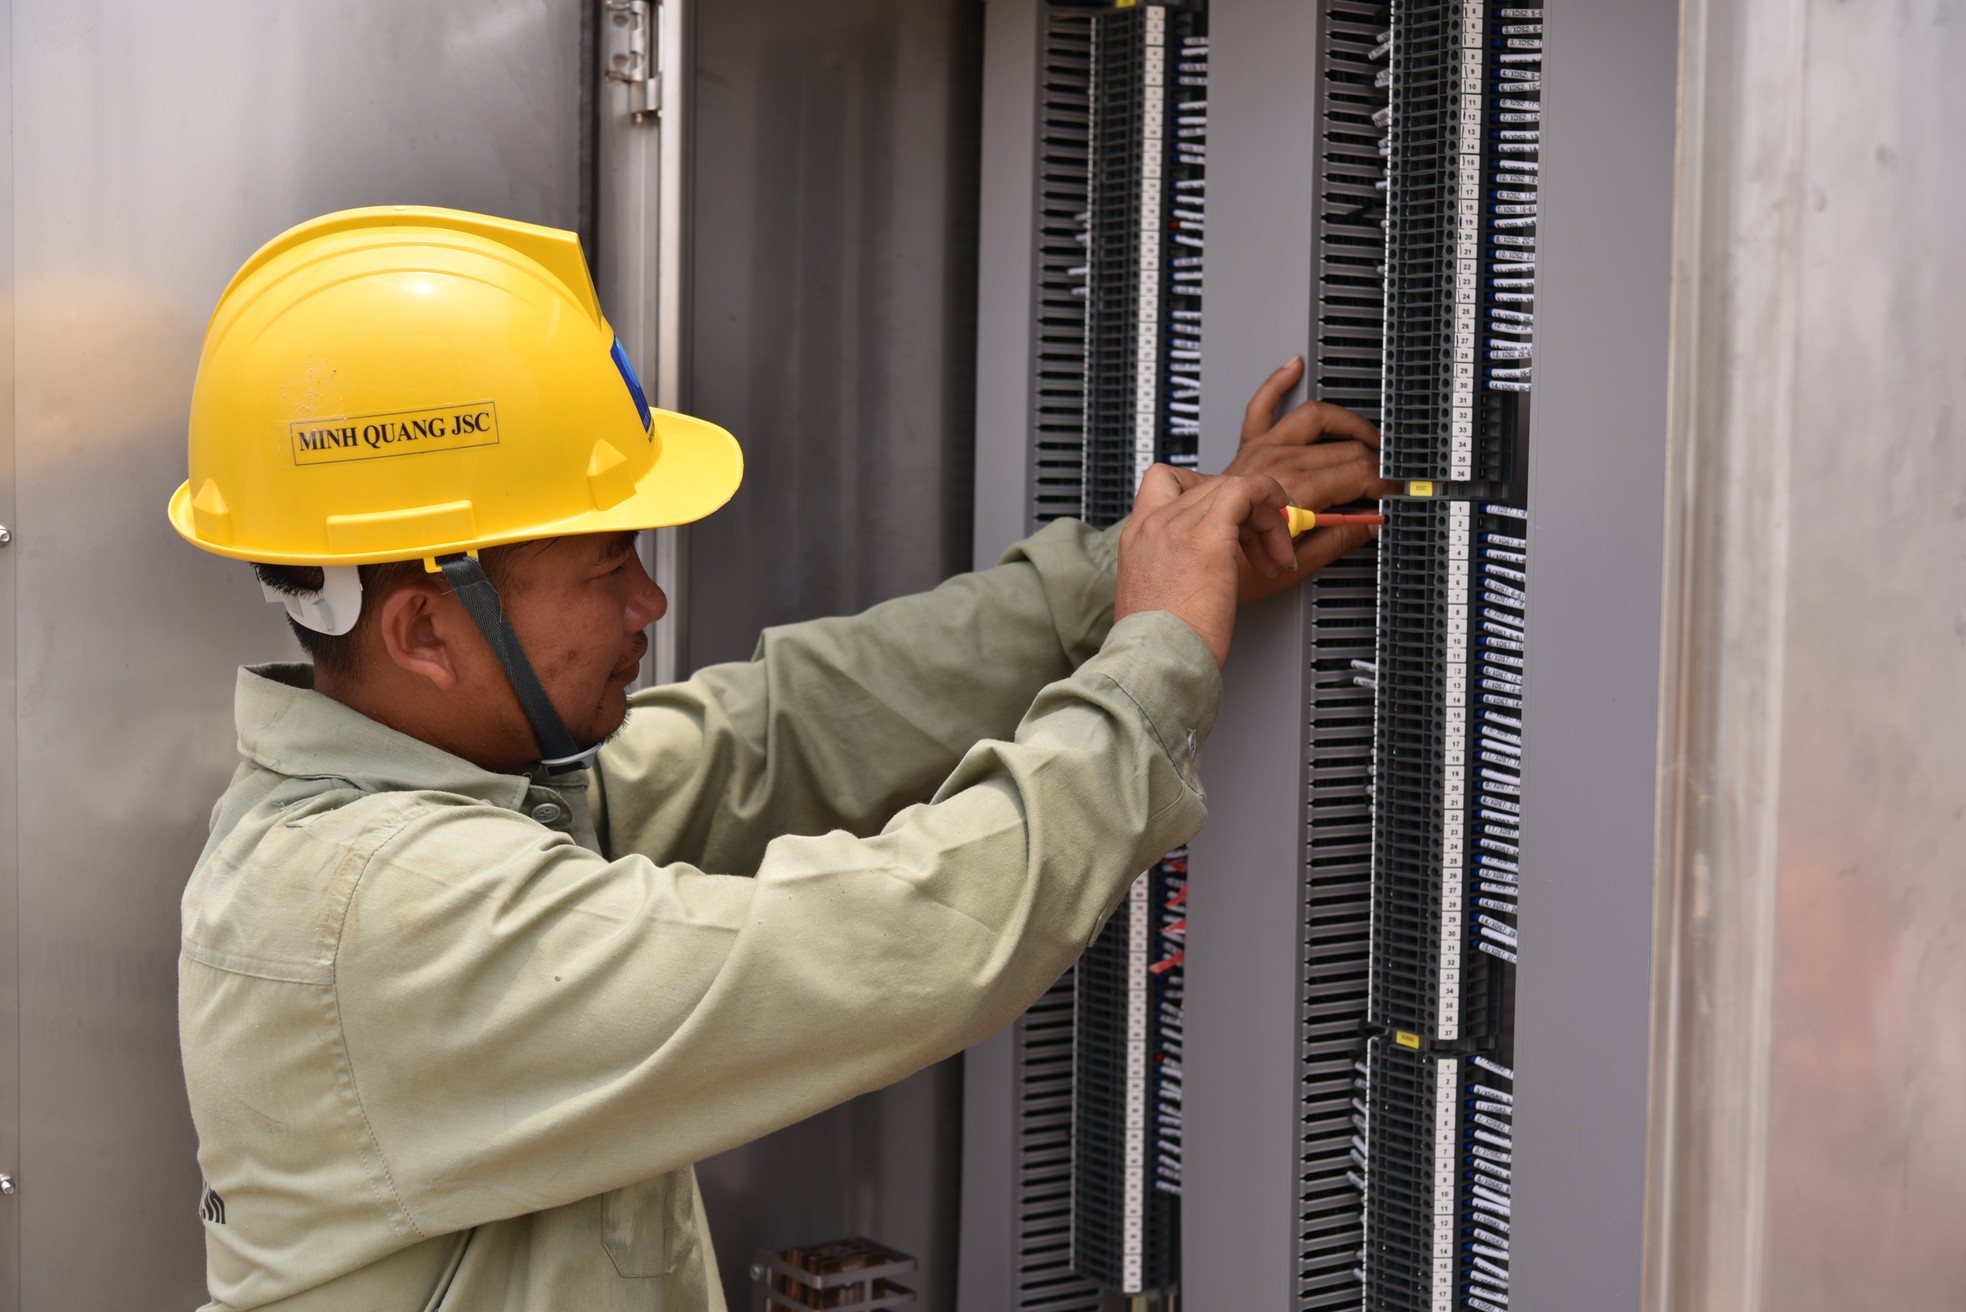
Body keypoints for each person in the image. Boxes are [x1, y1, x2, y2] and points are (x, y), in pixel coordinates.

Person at [169, 207, 1391, 1311]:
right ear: (426, 629)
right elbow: (901, 936)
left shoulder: (431, 807)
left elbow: (786, 728)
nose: (648, 598)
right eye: (606, 566)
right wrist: (1158, 650)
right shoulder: (395, 914)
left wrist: (1136, 565)